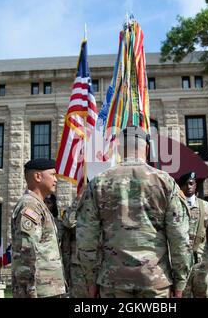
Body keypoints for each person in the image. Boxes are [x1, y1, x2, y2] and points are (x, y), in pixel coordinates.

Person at [76, 126, 193, 298]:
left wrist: (90, 281)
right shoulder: (165, 182)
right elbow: (180, 238)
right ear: (146, 148)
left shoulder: (98, 183)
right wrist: (180, 282)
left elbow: (86, 239)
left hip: (113, 280)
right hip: (154, 280)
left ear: (118, 148)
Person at [11, 158, 66, 298]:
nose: (56, 179)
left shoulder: (39, 205)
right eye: (53, 174)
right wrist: (30, 290)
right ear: (38, 176)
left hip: (49, 288)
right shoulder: (31, 206)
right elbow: (26, 251)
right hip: (39, 291)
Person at [178, 171, 208, 298]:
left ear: (196, 185)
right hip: (181, 265)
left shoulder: (206, 207)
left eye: (191, 184)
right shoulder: (175, 206)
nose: (188, 187)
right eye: (185, 184)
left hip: (202, 263)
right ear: (180, 186)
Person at [59, 197, 89, 297]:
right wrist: (79, 198)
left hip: (103, 264)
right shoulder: (77, 210)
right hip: (80, 265)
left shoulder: (104, 207)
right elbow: (68, 222)